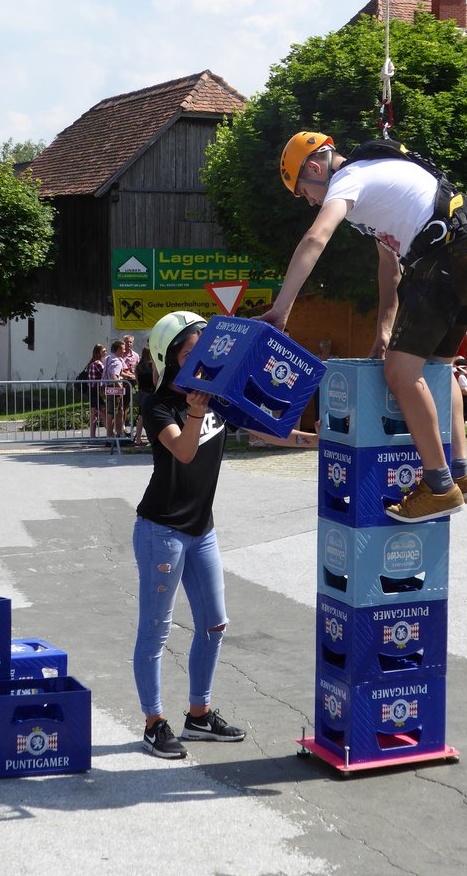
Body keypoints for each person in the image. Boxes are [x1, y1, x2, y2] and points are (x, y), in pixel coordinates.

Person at [259, 131, 467, 522]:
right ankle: (460, 472)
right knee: (437, 369)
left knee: (402, 373)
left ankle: (439, 487)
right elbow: (389, 268)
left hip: (444, 255)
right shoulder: (378, 183)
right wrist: (384, 334)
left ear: (315, 168)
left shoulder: (349, 178)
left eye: (303, 192)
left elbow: (316, 237)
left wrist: (281, 309)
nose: (310, 201)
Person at [134, 310, 320, 758]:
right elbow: (183, 451)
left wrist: (317, 441)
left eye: (204, 347)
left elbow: (265, 430)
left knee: (215, 624)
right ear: (169, 359)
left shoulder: (216, 397)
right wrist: (197, 411)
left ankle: (198, 717)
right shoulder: (157, 405)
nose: (200, 357)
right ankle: (154, 724)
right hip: (162, 531)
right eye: (189, 351)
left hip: (202, 530)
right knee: (156, 631)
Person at [133, 344, 155, 445]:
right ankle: (152, 438)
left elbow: (137, 382)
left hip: (142, 392)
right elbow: (155, 380)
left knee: (141, 416)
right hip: (151, 392)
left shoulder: (138, 367)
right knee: (152, 416)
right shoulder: (152, 365)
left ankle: (138, 438)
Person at [104, 339, 126, 438]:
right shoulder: (116, 361)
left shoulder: (109, 358)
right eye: (122, 349)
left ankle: (118, 434)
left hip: (109, 387)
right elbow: (114, 376)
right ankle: (110, 436)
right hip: (114, 388)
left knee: (116, 411)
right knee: (113, 412)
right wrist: (121, 389)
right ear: (117, 350)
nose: (124, 351)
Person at [84, 344, 107, 438]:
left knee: (94, 413)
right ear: (98, 353)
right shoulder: (98, 363)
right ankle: (111, 433)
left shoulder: (92, 362)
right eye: (103, 351)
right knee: (103, 411)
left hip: (92, 389)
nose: (105, 352)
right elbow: (105, 374)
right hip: (96, 390)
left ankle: (92, 435)